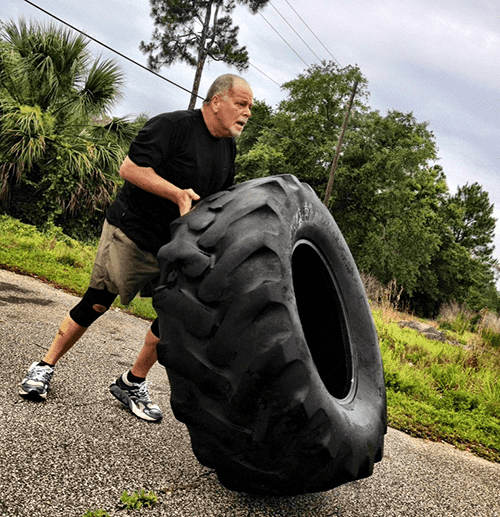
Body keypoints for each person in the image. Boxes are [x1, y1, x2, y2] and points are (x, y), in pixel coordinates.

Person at [19, 74, 253, 422]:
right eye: (242, 103)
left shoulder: (227, 147)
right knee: (97, 301)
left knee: (173, 315)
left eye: (250, 107)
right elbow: (129, 169)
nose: (247, 113)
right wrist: (176, 193)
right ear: (216, 100)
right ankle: (44, 366)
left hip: (178, 245)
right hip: (133, 231)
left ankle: (132, 382)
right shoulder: (172, 126)